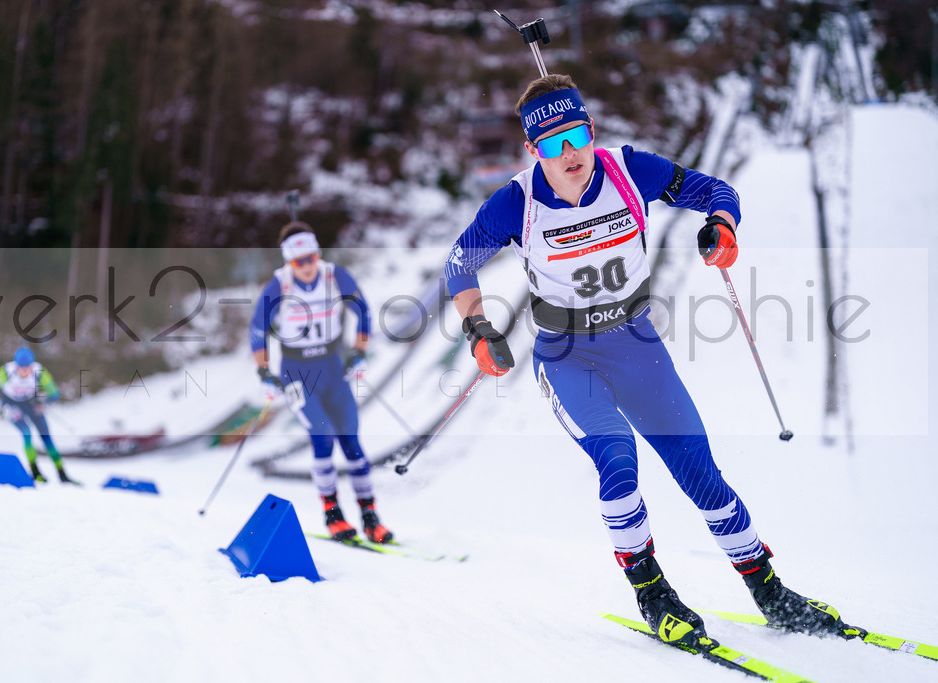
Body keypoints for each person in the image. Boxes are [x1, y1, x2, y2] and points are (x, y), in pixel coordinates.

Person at [444, 74, 862, 649]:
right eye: (550, 145)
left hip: (637, 345)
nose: (568, 155)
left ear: (590, 132)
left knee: (701, 473)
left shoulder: (627, 169)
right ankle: (653, 594)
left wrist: (722, 227)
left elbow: (715, 191)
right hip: (567, 357)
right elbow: (458, 264)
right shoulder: (516, 203)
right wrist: (479, 328)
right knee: (617, 455)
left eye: (575, 137)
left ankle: (771, 593)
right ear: (531, 151)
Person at [249, 221, 394, 544]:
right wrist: (264, 372)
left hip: (331, 368)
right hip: (297, 373)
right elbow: (258, 330)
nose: (308, 266)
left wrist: (359, 352)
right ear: (289, 261)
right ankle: (333, 514)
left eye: (312, 257)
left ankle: (370, 517)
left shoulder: (334, 275)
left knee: (352, 441)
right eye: (300, 261)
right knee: (322, 435)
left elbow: (364, 312)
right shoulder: (279, 286)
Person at [0, 346, 78, 485]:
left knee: (46, 438)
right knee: (27, 433)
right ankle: (35, 472)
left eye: (27, 368)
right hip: (11, 404)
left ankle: (62, 475)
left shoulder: (39, 372)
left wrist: (43, 401)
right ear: (16, 365)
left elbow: (55, 394)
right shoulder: (7, 372)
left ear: (32, 365)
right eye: (21, 368)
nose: (24, 371)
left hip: (31, 403)